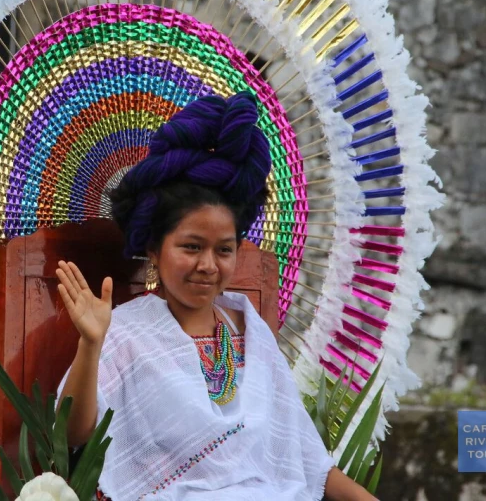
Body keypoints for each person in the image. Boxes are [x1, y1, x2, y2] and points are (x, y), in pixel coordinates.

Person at [56, 93, 378, 500]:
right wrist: (90, 344)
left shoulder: (251, 333)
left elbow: (306, 460)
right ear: (154, 249)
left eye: (224, 250)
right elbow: (73, 434)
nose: (208, 265)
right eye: (191, 247)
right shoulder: (124, 333)